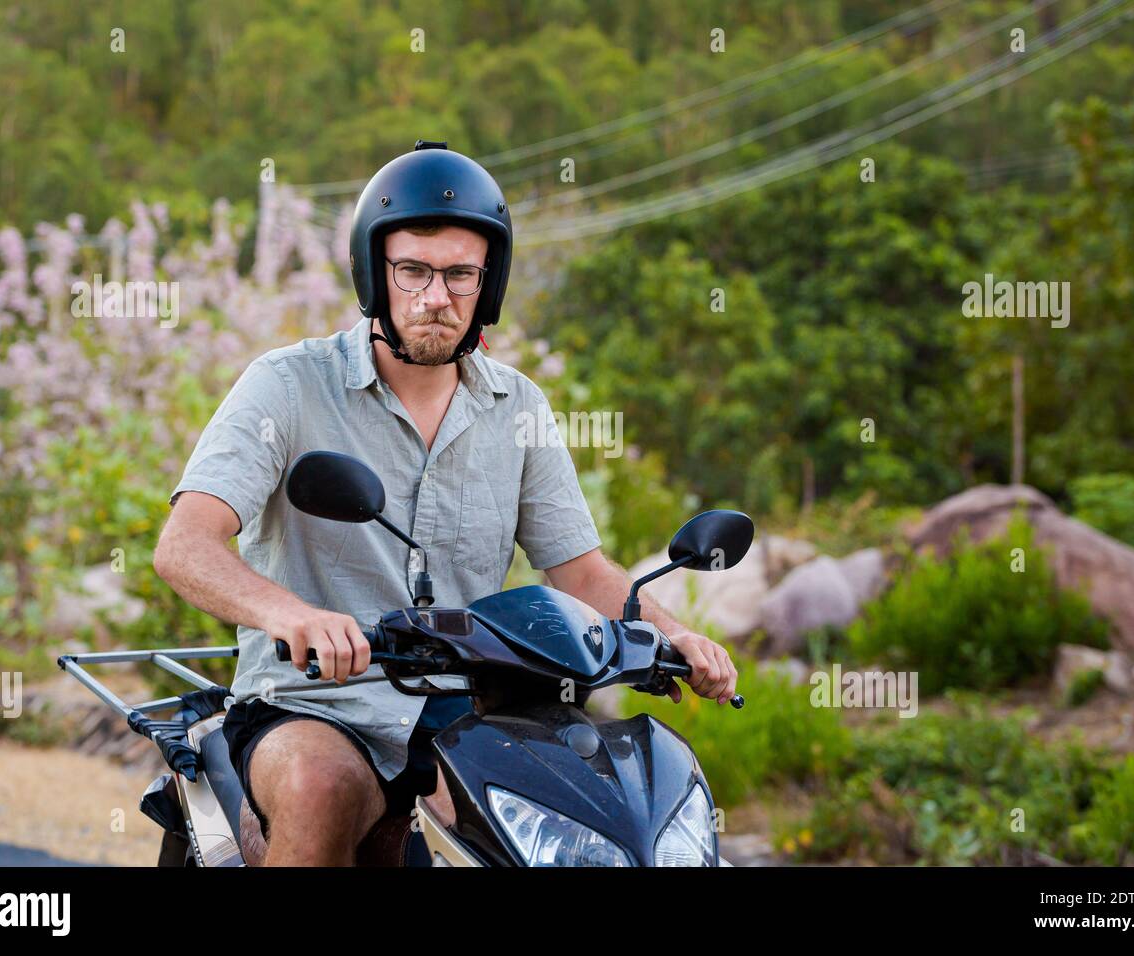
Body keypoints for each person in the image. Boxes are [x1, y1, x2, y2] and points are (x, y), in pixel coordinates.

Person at [152, 140, 739, 866]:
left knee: (600, 813)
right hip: (314, 703)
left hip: (469, 709)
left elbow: (582, 572)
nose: (437, 297)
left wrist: (675, 635)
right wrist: (292, 614)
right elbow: (185, 545)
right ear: (376, 273)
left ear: (487, 285)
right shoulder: (287, 386)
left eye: (460, 275)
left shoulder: (518, 406)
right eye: (414, 271)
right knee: (319, 785)